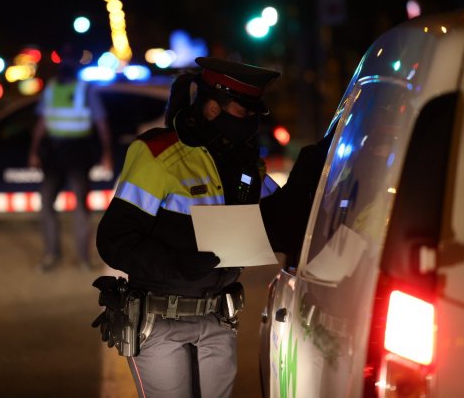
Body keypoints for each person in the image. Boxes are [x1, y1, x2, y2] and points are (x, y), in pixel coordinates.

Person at [94, 57, 333, 397]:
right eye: (243, 112)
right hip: (161, 322)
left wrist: (311, 166)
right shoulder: (158, 154)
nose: (250, 122)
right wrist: (175, 264)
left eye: (255, 114)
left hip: (217, 320)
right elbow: (114, 239)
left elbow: (283, 220)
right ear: (211, 108)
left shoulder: (245, 164)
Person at [29, 50, 113, 272]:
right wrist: (34, 151)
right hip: (55, 153)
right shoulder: (52, 88)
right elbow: (42, 122)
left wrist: (106, 153)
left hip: (78, 152)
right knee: (46, 203)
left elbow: (101, 124)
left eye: (69, 62)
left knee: (81, 209)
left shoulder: (86, 90)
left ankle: (83, 258)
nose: (66, 66)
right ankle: (51, 253)